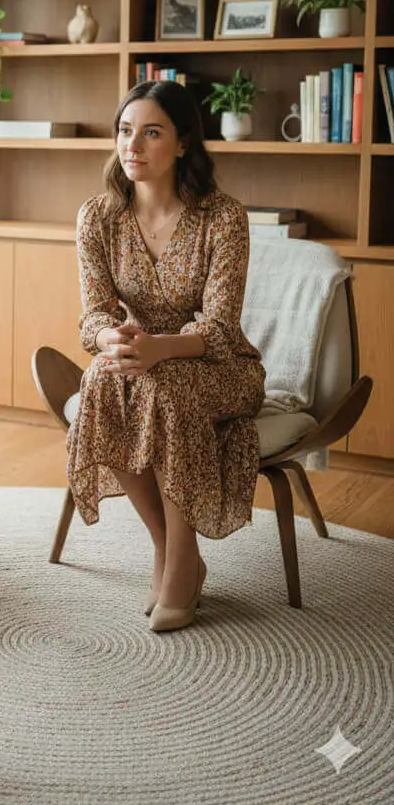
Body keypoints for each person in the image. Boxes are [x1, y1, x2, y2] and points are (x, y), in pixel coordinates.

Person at [65, 80, 265, 633]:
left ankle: (179, 562)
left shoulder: (222, 217)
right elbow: (94, 316)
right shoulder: (99, 217)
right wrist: (116, 342)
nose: (133, 145)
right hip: (137, 361)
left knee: (165, 386)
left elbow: (221, 329)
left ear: (182, 144)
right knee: (103, 381)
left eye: (151, 133)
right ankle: (172, 552)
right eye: (125, 131)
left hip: (220, 368)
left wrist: (158, 350)